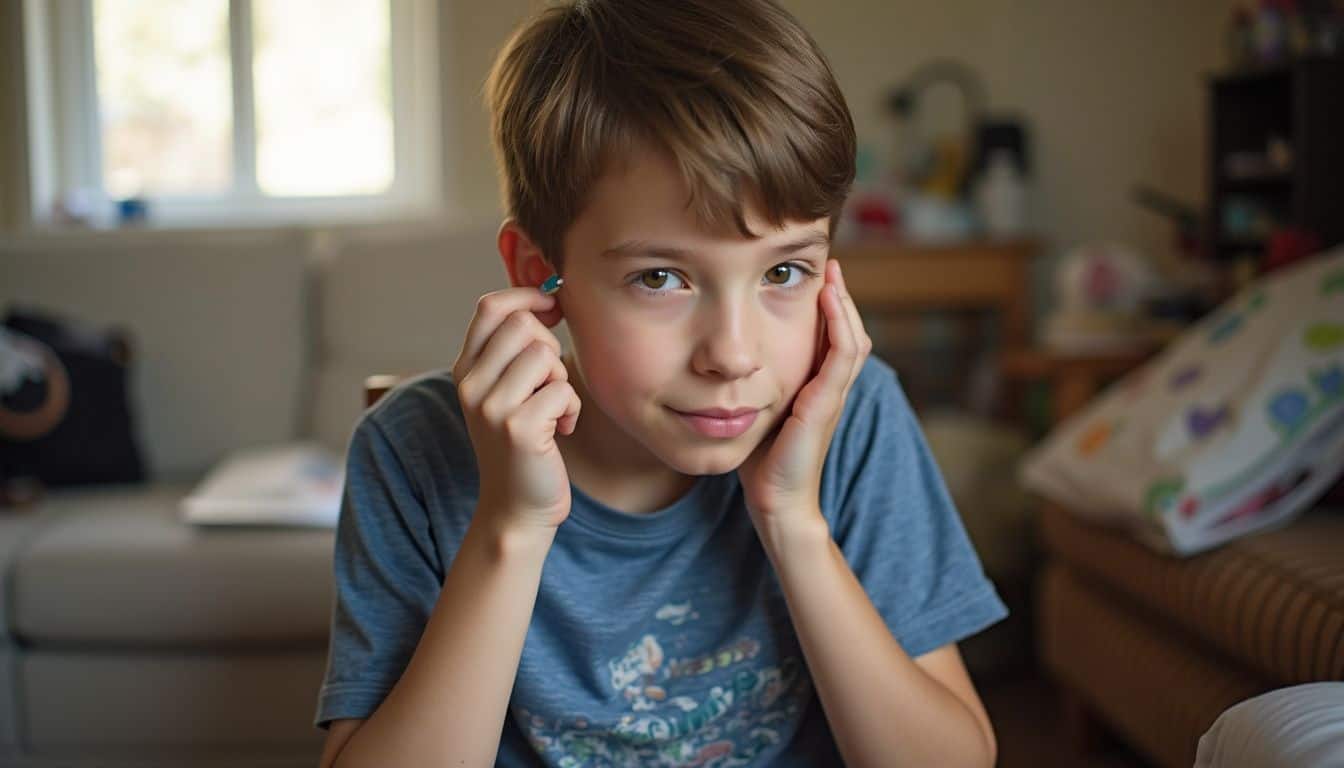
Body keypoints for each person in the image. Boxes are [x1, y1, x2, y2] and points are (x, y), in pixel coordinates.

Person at [315, 1, 1006, 765]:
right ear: (537, 273)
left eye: (784, 271)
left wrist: (792, 521)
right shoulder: (414, 451)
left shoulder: (853, 418)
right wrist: (512, 529)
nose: (734, 355)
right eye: (661, 277)